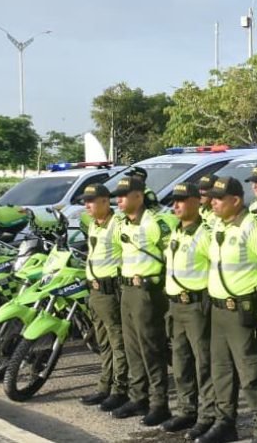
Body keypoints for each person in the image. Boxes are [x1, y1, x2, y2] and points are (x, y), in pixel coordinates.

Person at [200, 176, 257, 443]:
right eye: (213, 197)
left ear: (236, 200)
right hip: (218, 310)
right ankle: (225, 422)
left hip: (242, 310)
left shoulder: (251, 225)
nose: (213, 202)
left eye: (219, 198)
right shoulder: (218, 223)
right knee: (221, 370)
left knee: (250, 374)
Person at [110, 175, 173, 426]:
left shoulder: (155, 222)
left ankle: (159, 403)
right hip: (126, 291)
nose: (119, 200)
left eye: (124, 196)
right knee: (132, 347)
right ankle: (138, 398)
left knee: (151, 349)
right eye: (118, 196)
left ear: (138, 196)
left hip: (147, 293)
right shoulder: (123, 223)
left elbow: (172, 257)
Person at [159, 182, 217, 436]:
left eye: (182, 200)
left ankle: (208, 415)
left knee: (204, 363)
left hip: (196, 306)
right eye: (174, 201)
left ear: (197, 201)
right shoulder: (176, 231)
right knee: (181, 363)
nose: (176, 205)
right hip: (176, 307)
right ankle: (186, 410)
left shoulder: (205, 233)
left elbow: (217, 269)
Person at [77, 184, 130, 413]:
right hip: (95, 291)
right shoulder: (93, 224)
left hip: (110, 291)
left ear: (105, 202)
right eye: (85, 201)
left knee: (118, 341)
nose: (87, 205)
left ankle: (120, 389)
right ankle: (104, 385)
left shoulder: (117, 225)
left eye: (92, 200)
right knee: (103, 343)